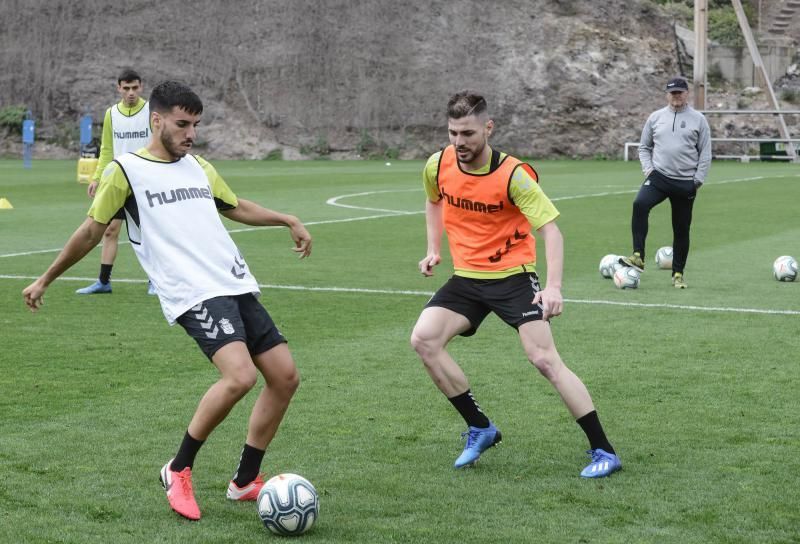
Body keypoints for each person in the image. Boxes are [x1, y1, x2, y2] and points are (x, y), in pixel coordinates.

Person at [23, 80, 313, 520]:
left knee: (285, 377)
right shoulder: (125, 171)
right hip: (191, 291)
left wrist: (285, 218)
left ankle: (244, 481)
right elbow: (89, 232)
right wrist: (46, 278)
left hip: (233, 282)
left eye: (195, 124)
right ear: (156, 120)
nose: (190, 133)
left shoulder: (198, 166)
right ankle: (178, 469)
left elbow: (233, 206)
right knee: (239, 377)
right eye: (182, 124)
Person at [410, 90, 621, 478]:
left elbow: (551, 232)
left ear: (488, 128)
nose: (460, 142)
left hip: (513, 277)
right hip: (467, 278)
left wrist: (553, 287)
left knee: (544, 360)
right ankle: (480, 427)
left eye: (469, 134)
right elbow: (434, 201)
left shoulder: (513, 175)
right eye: (454, 133)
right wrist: (432, 248)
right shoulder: (437, 164)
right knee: (424, 340)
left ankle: (603, 450)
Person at [619, 76, 711, 289]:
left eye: (679, 92)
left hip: (685, 182)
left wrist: (697, 181)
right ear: (666, 94)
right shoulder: (655, 117)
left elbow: (705, 152)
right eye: (672, 92)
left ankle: (678, 274)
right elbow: (644, 147)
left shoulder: (698, 119)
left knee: (681, 229)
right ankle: (638, 256)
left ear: (686, 93)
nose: (676, 96)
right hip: (659, 177)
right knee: (639, 204)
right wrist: (649, 170)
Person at [76, 68, 155, 295]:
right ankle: (103, 281)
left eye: (135, 88)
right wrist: (98, 177)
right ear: (118, 88)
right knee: (110, 230)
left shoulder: (151, 110)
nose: (131, 92)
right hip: (118, 181)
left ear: (141, 87)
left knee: (146, 232)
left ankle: (155, 281)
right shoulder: (111, 113)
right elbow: (107, 148)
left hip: (144, 181)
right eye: (126, 88)